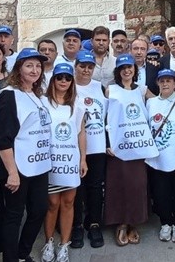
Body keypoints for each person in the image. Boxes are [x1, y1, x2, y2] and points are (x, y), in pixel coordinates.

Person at [0, 48, 53, 262]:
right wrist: (12, 172)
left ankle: (22, 253)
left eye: (38, 66)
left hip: (39, 166)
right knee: (14, 215)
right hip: (18, 167)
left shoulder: (37, 96)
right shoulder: (9, 96)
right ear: (19, 69)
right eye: (29, 65)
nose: (35, 70)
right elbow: (4, 138)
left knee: (39, 209)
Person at [104, 54, 158, 246]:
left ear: (135, 70)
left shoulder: (142, 90)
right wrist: (107, 142)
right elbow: (104, 117)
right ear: (118, 71)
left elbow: (161, 103)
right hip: (118, 147)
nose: (127, 70)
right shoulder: (110, 90)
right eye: (123, 67)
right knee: (118, 184)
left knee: (137, 185)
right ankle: (121, 223)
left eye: (130, 67)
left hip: (138, 146)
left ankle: (134, 221)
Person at [41, 63, 88, 262]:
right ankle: (49, 241)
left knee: (68, 202)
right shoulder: (42, 102)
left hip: (70, 160)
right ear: (53, 80)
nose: (63, 81)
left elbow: (81, 133)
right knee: (52, 203)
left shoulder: (77, 105)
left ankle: (64, 244)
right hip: (50, 161)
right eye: (59, 77)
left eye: (67, 78)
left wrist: (83, 159)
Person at [146, 69, 175, 243]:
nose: (165, 84)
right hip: (158, 155)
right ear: (157, 83)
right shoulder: (151, 103)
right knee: (160, 190)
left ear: (174, 84)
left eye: (169, 81)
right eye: (162, 81)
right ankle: (165, 222)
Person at [71, 50, 108, 249]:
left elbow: (108, 115)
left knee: (95, 187)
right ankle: (76, 224)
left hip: (97, 145)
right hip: (74, 147)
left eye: (90, 67)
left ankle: (94, 223)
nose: (86, 70)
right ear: (75, 66)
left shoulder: (99, 87)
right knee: (77, 187)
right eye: (82, 66)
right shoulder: (68, 86)